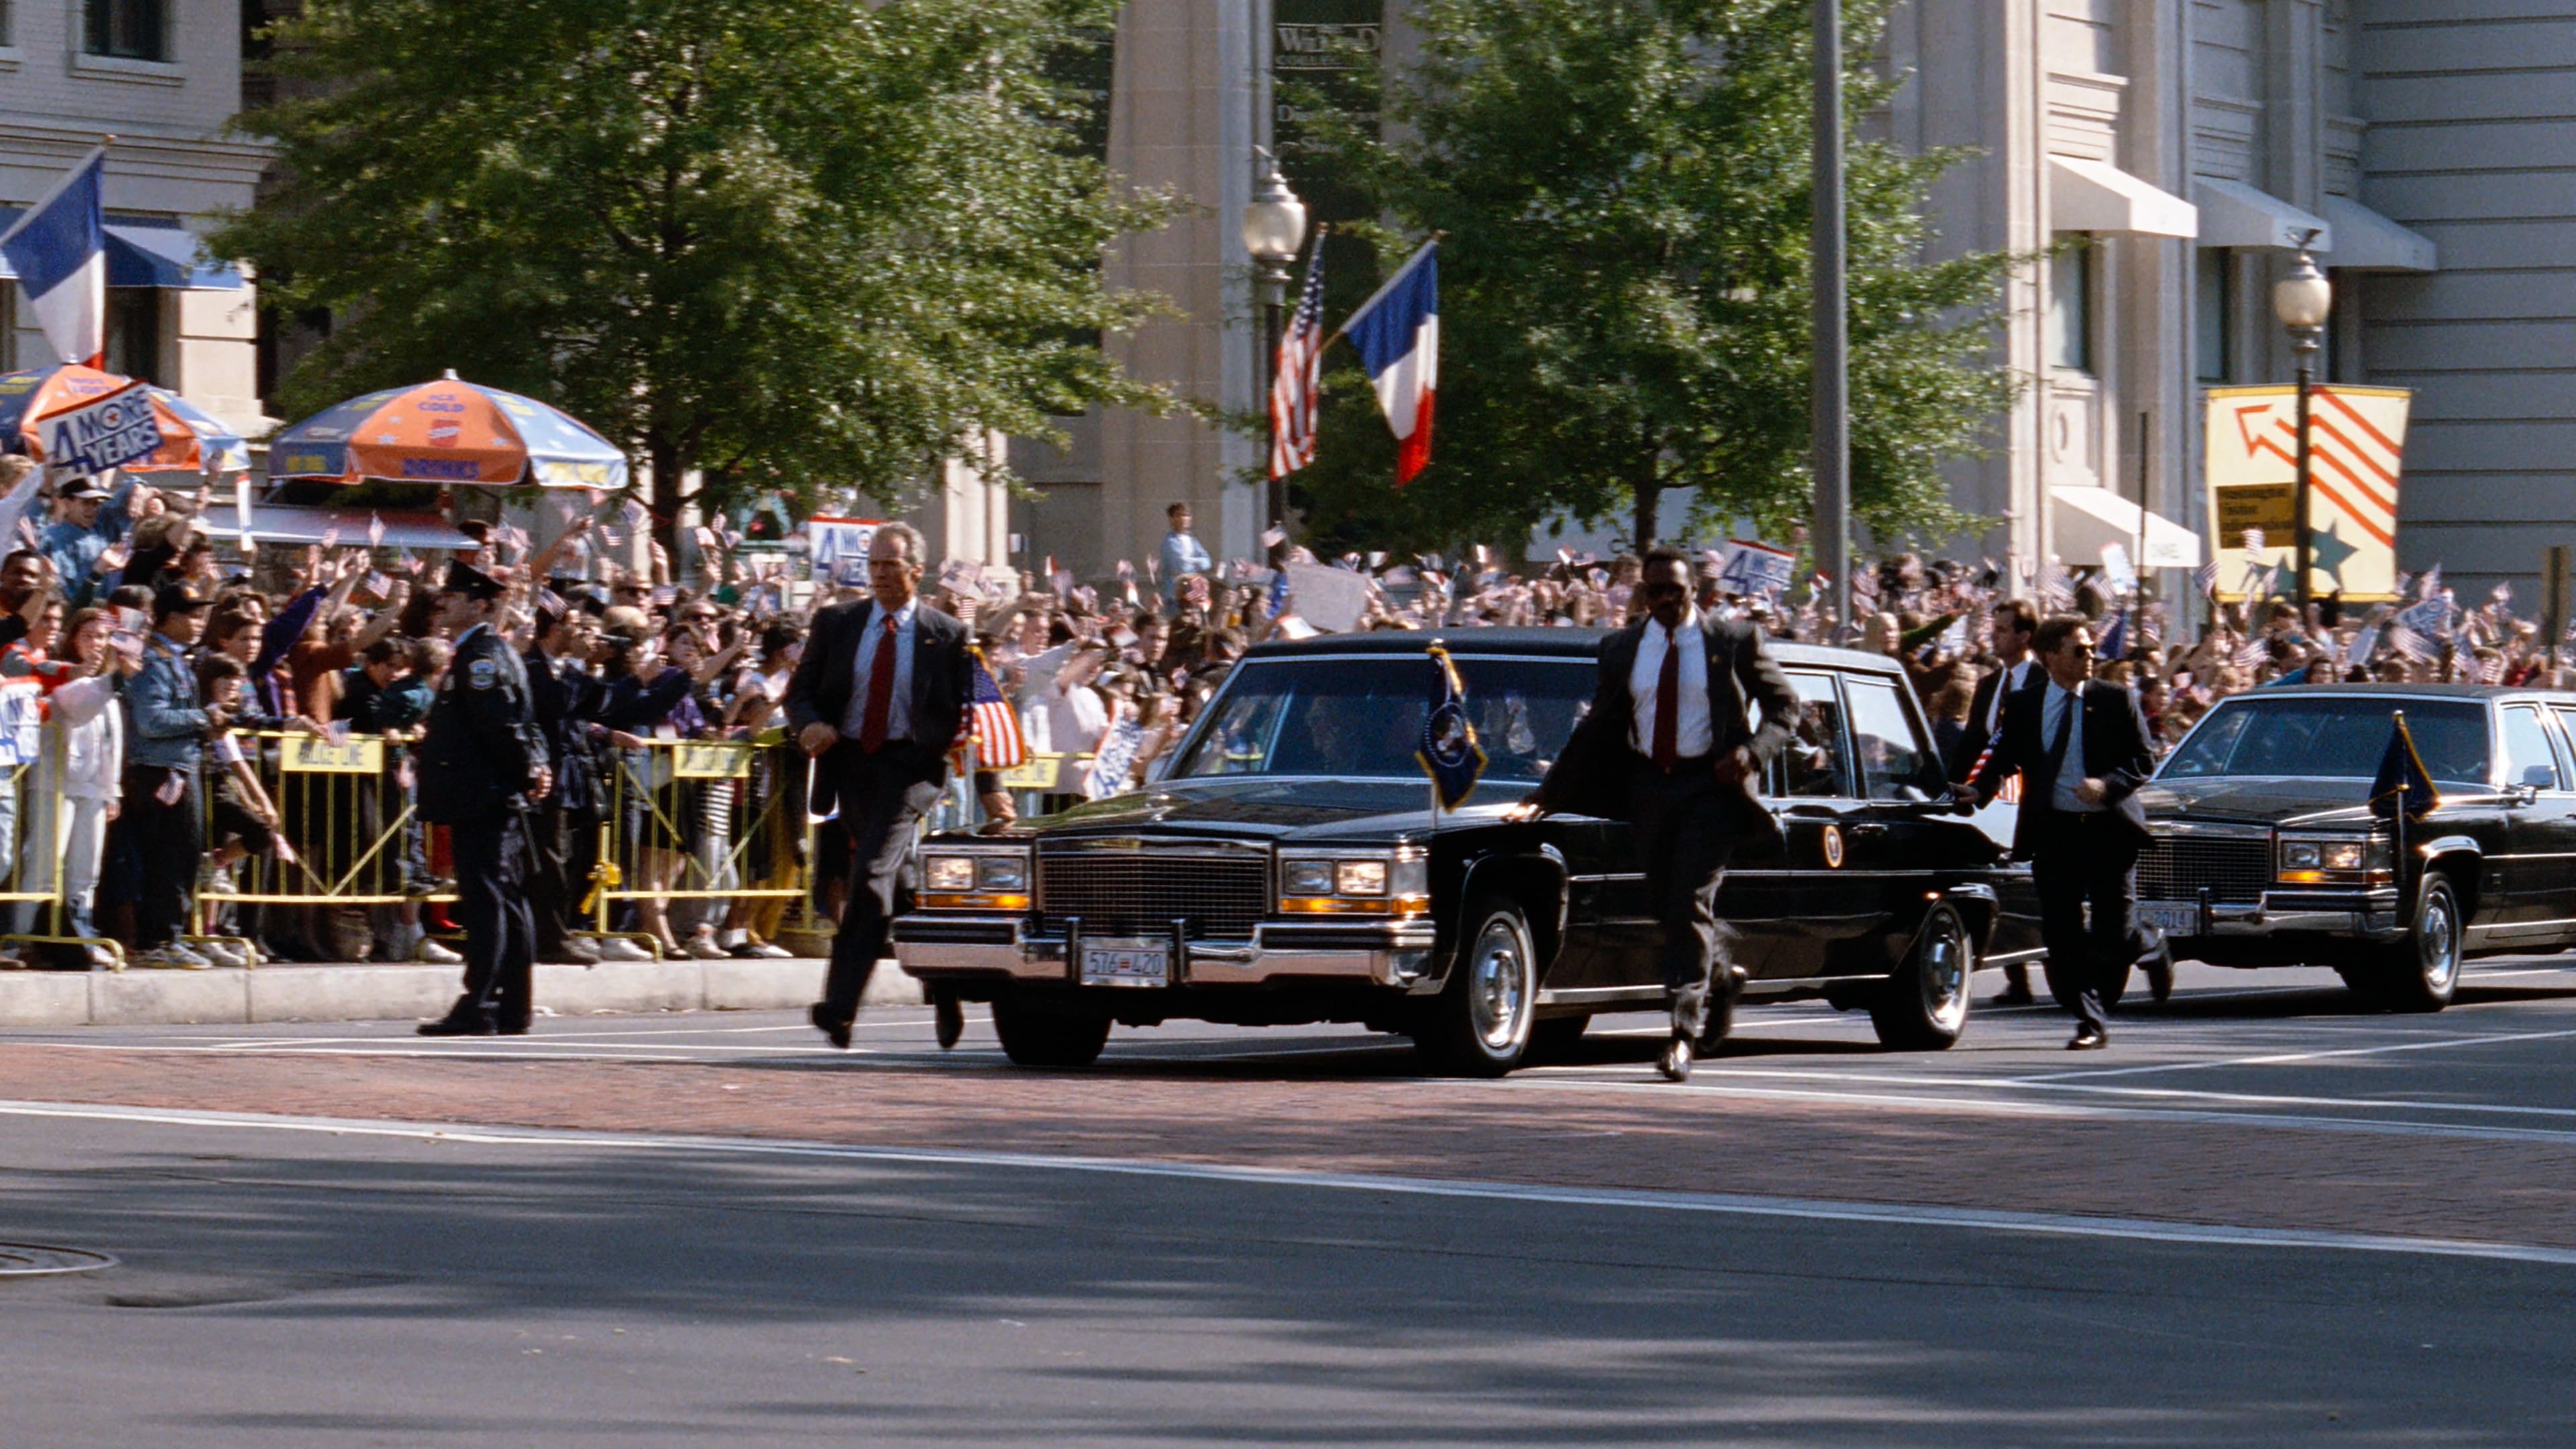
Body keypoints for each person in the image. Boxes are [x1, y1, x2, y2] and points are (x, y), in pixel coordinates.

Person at [1517, 547, 1801, 1082]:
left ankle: (1681, 1032)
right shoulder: (1623, 648)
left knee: (1690, 898)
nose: (1667, 600)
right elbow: (1600, 723)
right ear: (1643, 594)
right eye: (1656, 591)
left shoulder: (1732, 641)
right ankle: (1722, 975)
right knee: (1669, 907)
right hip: (1649, 786)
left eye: (1677, 589)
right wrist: (1547, 792)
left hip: (1712, 786)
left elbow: (1786, 707)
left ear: (1696, 589)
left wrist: (1751, 752)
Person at [784, 522, 985, 1049]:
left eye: (891, 565)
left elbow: (975, 717)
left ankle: (839, 1006)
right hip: (850, 766)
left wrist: (994, 789)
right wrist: (808, 724)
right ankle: (945, 986)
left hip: (909, 769)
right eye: (873, 565)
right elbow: (799, 691)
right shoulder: (837, 623)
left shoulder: (947, 634)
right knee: (898, 890)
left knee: (869, 874)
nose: (880, 575)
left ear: (916, 571)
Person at [1959, 614, 2171, 1049]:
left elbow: (2143, 760)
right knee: (2061, 933)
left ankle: (2149, 941)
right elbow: (2004, 761)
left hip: (2109, 831)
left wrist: (2107, 786)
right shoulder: (2024, 705)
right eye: (2079, 650)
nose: (2090, 656)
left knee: (2114, 934)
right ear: (2051, 655)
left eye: (2091, 648)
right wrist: (1975, 792)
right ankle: (2090, 1020)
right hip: (2055, 831)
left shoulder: (2115, 699)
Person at [413, 562, 552, 1036]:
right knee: (504, 900)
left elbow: (501, 725)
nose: (443, 603)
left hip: (484, 797)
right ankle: (511, 1006)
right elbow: (523, 723)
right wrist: (534, 766)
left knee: (488, 901)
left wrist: (527, 770)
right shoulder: (484, 651)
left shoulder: (482, 655)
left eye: (453, 596)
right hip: (487, 794)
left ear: (478, 603)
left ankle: (482, 1002)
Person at [121, 584, 225, 968]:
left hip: (180, 766)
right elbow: (151, 720)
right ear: (171, 617)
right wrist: (203, 718)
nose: (200, 622)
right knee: (168, 856)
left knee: (181, 856)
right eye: (192, 615)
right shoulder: (153, 660)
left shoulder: (176, 659)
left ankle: (168, 935)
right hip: (160, 770)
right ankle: (158, 940)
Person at [1953, 597, 2043, 1003]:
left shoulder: (2044, 680)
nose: (1994, 635)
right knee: (2000, 880)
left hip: (2032, 797)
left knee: (2039, 885)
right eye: (1994, 628)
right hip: (1991, 798)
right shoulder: (1990, 685)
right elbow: (1973, 741)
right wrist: (1951, 788)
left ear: (2025, 637)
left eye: (2003, 629)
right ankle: (2018, 977)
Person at [1157, 502, 1210, 606]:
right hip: (1176, 593)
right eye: (1180, 515)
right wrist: (1195, 563)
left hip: (1195, 590)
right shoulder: (1170, 542)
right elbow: (1181, 566)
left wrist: (1194, 561)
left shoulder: (1192, 540)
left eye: (1187, 515)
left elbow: (1207, 562)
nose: (1185, 519)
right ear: (1172, 519)